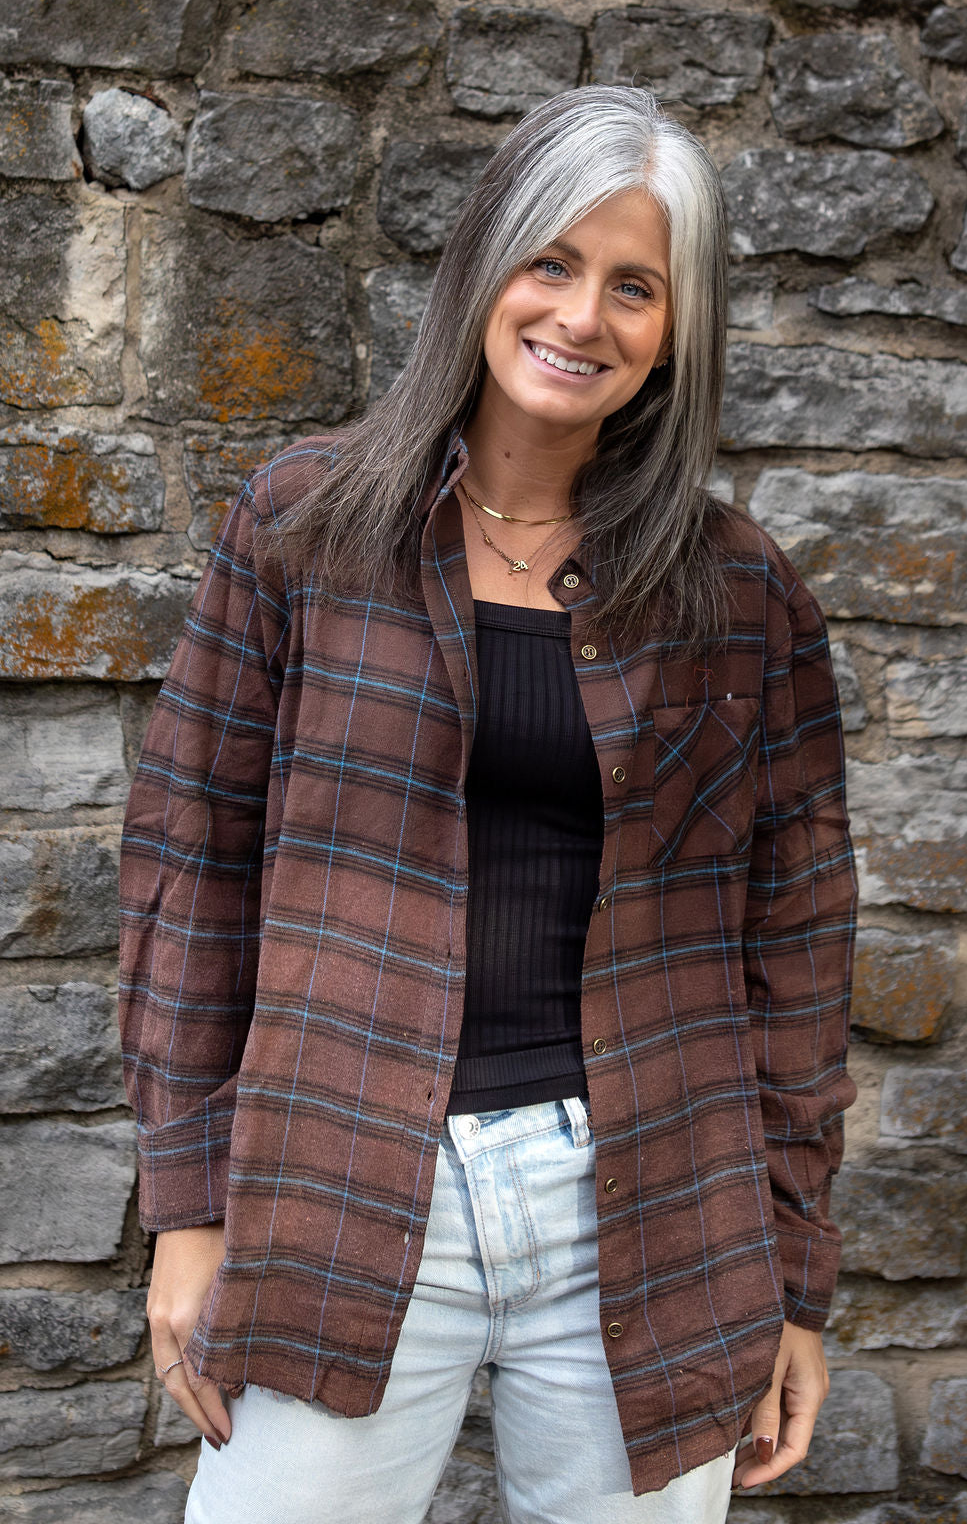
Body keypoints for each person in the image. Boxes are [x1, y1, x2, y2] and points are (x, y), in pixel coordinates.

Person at [119, 84, 857, 1524]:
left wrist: (794, 1279)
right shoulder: (304, 526)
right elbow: (189, 868)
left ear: (677, 331)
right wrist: (188, 1213)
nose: (583, 316)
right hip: (338, 1177)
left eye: (634, 286)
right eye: (552, 262)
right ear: (484, 269)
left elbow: (798, 948)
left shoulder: (740, 593)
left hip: (652, 1203)